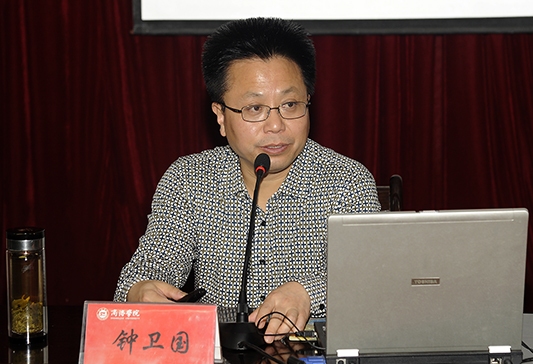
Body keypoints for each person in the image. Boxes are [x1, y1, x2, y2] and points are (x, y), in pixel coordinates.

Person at [114, 17, 380, 343]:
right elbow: (147, 271)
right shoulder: (188, 180)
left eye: (290, 105)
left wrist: (308, 292)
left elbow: (370, 279)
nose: (276, 125)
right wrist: (139, 291)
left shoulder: (346, 182)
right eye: (254, 108)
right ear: (220, 116)